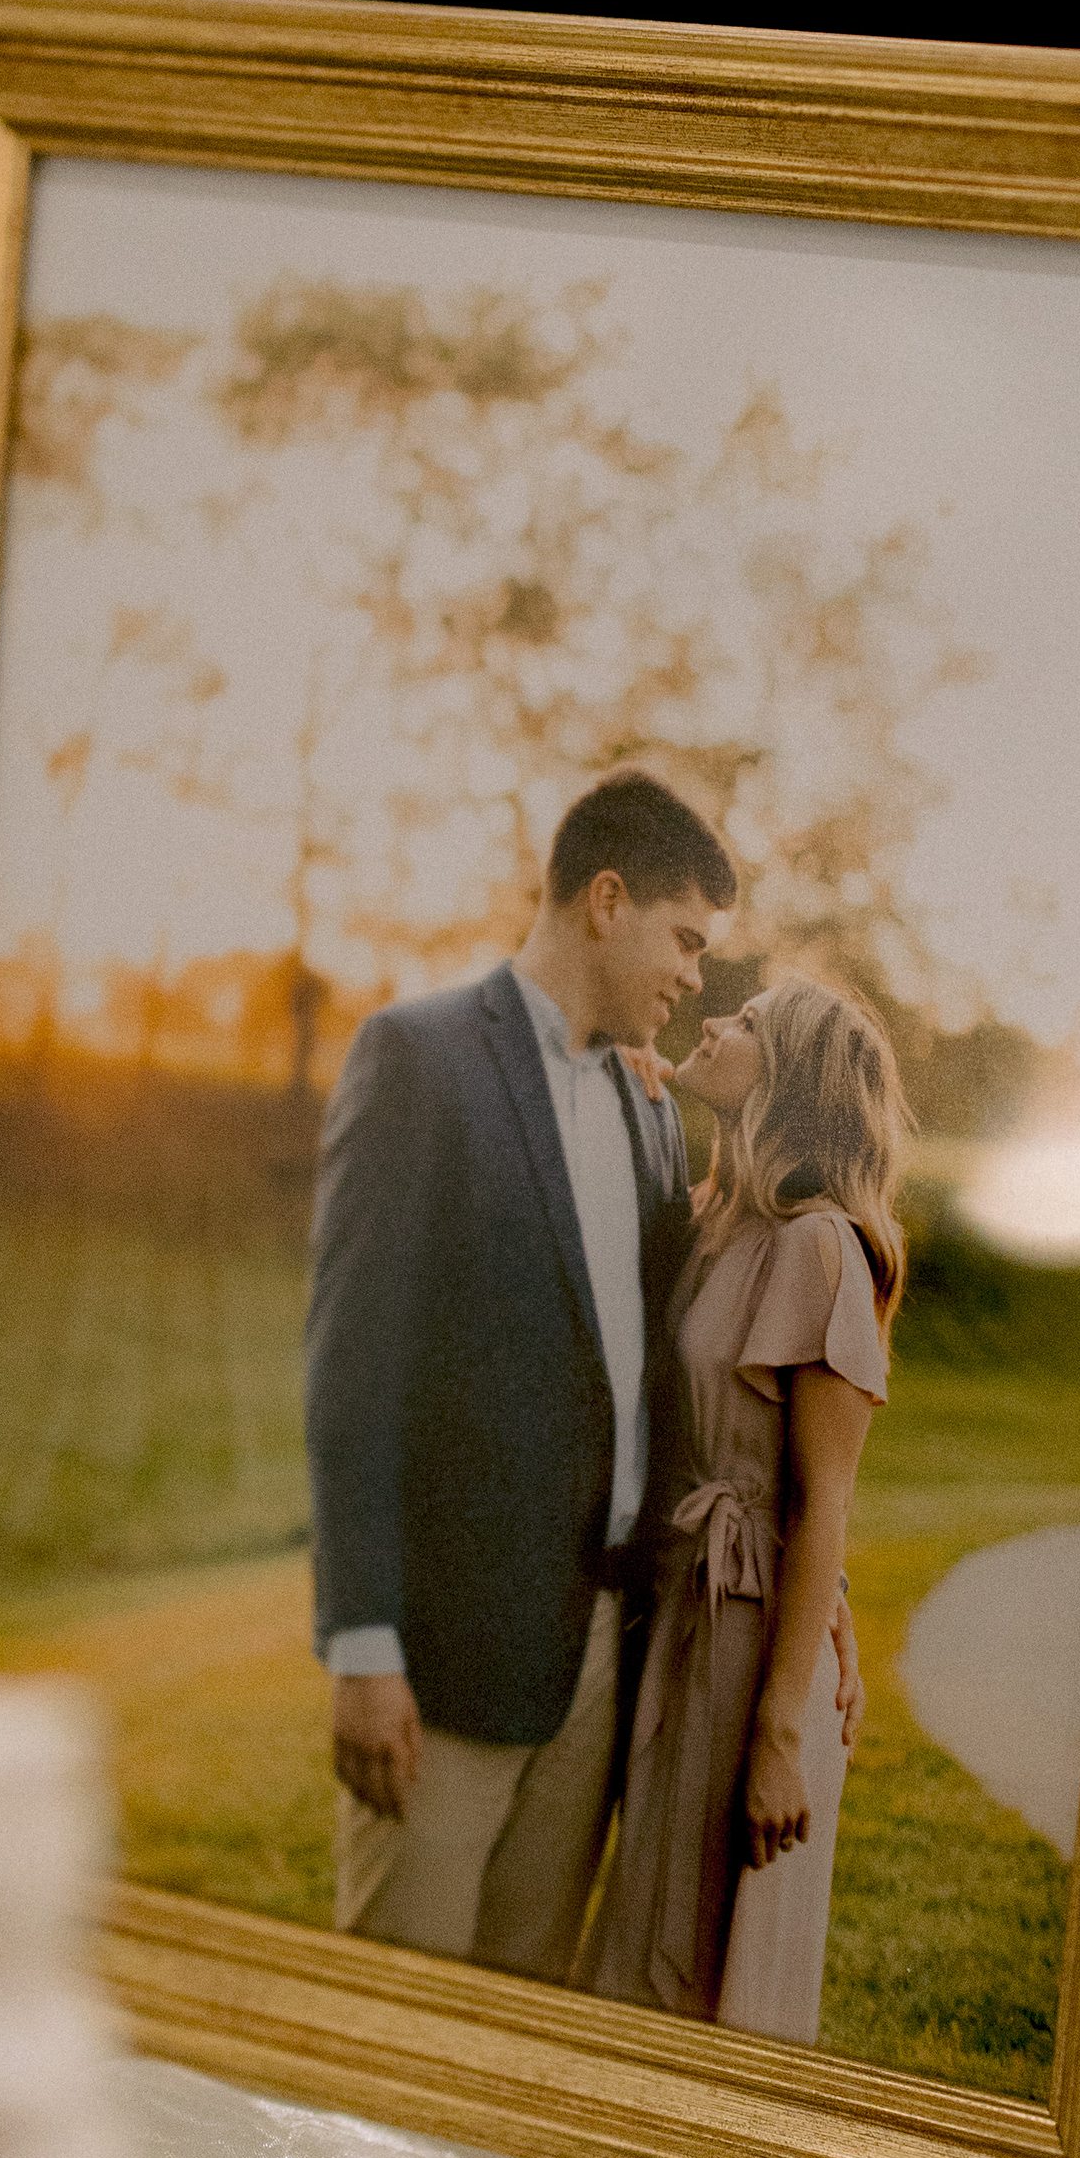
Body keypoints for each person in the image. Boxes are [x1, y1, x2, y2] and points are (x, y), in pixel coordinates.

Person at [305, 771, 739, 1974]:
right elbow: (353, 1374)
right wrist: (362, 1647)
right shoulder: (418, 1059)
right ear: (608, 900)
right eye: (686, 938)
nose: (698, 975)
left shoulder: (653, 1110)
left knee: (522, 2039)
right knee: (394, 2046)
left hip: (600, 1659)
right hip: (443, 1666)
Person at [582, 974, 903, 2041]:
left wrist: (777, 1737)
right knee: (648, 1932)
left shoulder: (819, 1248)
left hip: (752, 1653)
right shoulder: (723, 1221)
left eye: (750, 1025)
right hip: (687, 1614)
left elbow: (825, 1506)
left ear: (792, 1076)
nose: (713, 1022)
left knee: (705, 1976)